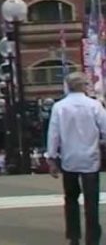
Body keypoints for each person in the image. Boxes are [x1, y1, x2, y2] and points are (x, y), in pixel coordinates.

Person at [46, 72, 106, 245]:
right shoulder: (94, 105)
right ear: (84, 86)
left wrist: (52, 157)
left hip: (69, 159)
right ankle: (92, 238)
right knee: (91, 201)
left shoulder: (59, 107)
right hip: (90, 158)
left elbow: (54, 134)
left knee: (71, 199)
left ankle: (74, 236)